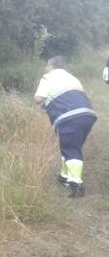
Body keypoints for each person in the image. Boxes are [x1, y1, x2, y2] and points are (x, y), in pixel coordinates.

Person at [34, 56, 97, 198]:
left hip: (69, 117)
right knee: (69, 146)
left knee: (71, 149)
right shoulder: (73, 78)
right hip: (87, 115)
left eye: (46, 65)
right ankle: (64, 177)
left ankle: (76, 186)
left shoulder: (48, 77)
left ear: (51, 65)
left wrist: (41, 100)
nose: (45, 68)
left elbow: (38, 98)